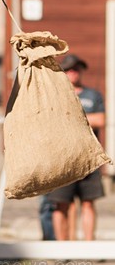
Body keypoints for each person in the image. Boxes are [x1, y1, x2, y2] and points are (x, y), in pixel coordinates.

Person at [46, 54, 105, 241]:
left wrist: (72, 119)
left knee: (88, 204)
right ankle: (61, 248)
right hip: (62, 160)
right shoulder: (55, 95)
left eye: (77, 69)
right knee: (60, 205)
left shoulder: (92, 95)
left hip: (88, 159)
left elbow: (100, 120)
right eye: (70, 69)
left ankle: (88, 245)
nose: (74, 73)